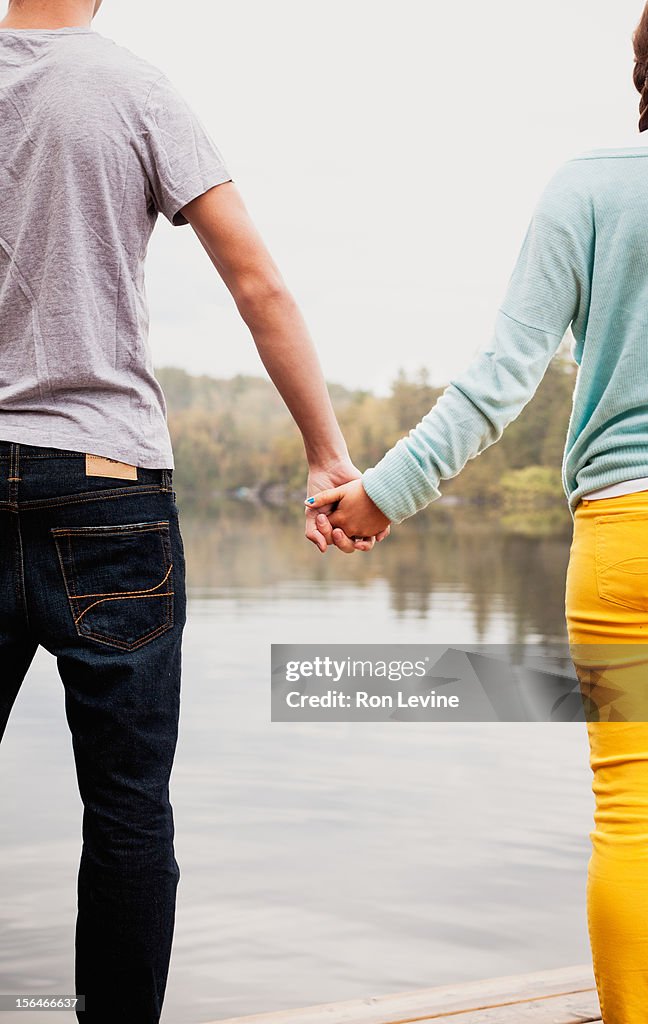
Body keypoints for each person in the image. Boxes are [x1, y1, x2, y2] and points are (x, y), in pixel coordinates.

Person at [0, 1, 388, 1021]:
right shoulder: (132, 88)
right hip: (107, 483)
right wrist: (324, 454)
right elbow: (253, 279)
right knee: (125, 810)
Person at [307, 0, 648, 1020]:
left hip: (629, 540)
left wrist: (382, 495)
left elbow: (496, 382)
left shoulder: (591, 187)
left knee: (642, 814)